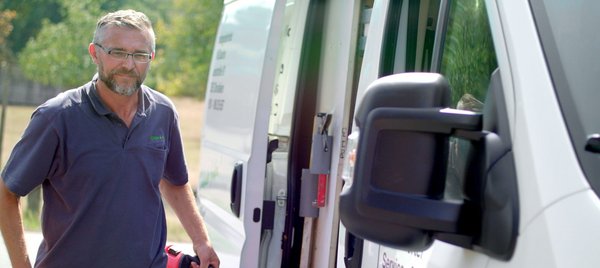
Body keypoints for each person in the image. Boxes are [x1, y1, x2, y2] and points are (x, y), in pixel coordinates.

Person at [0, 9, 220, 268]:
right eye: (117, 52)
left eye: (139, 55)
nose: (128, 64)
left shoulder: (163, 113)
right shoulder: (57, 117)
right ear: (95, 53)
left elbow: (174, 182)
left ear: (151, 57)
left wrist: (201, 241)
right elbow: (7, 193)